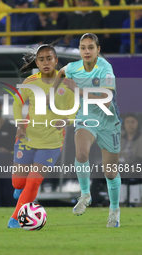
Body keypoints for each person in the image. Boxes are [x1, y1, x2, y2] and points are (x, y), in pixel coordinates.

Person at [51, 33, 122, 227]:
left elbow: (106, 101)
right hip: (86, 118)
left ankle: (114, 211)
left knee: (110, 172)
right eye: (83, 47)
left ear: (98, 50)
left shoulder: (105, 68)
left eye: (91, 47)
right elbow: (61, 72)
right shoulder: (74, 67)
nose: (87, 51)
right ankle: (85, 195)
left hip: (108, 121)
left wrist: (78, 90)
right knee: (81, 154)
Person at [8, 44, 76, 228]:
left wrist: (67, 121)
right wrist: (20, 123)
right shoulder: (30, 82)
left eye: (49, 58)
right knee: (18, 182)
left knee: (33, 181)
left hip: (52, 142)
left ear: (56, 61)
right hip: (27, 138)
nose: (45, 62)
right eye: (41, 59)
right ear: (36, 62)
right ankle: (19, 189)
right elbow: (16, 103)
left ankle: (15, 218)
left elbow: (75, 109)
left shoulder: (67, 83)